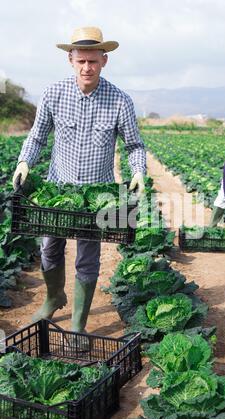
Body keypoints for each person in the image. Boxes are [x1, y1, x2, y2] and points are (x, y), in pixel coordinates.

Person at [12, 27, 147, 333]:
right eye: (81, 60)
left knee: (87, 258)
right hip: (58, 189)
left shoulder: (119, 101)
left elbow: (134, 145)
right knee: (49, 249)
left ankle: (78, 325)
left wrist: (138, 171)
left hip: (95, 196)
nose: (87, 67)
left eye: (93, 61)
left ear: (104, 60)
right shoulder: (53, 93)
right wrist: (24, 163)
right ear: (70, 59)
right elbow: (37, 137)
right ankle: (53, 297)